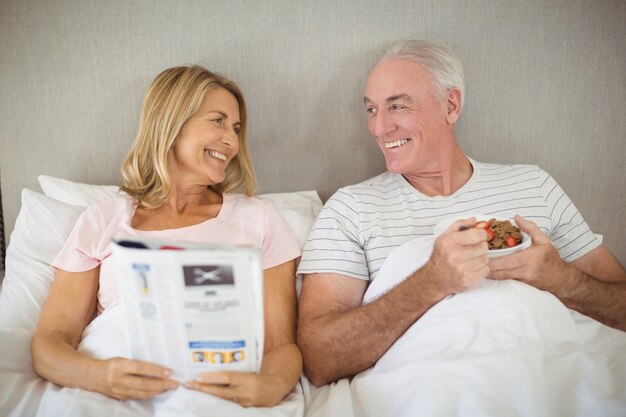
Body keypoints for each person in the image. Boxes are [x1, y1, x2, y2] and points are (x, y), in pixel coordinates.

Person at [296, 40, 626, 387]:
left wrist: (561, 279)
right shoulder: (352, 208)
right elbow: (320, 359)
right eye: (372, 109)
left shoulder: (534, 184)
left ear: (450, 105)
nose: (379, 128)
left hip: (550, 376)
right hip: (434, 387)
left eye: (397, 107)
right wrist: (431, 281)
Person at [32, 65, 303, 407]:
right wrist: (99, 376)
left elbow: (281, 345)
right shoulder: (103, 220)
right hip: (111, 388)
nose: (232, 141)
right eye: (217, 120)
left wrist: (271, 385)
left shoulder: (260, 219)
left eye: (235, 128)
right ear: (172, 124)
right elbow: (50, 343)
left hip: (213, 387)